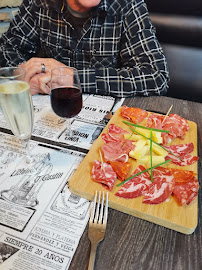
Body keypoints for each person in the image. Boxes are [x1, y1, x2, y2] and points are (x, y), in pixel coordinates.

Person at [0, 0, 169, 97]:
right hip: (50, 111)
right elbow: (8, 48)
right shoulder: (39, 3)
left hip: (107, 123)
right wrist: (23, 73)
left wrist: (72, 78)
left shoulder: (127, 5)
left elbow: (155, 76)